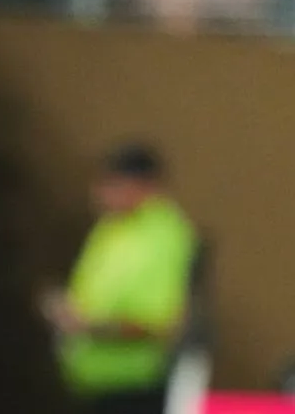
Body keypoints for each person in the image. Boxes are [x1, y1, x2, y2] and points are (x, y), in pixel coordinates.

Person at [40, 142, 197, 414]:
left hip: (133, 386)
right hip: (89, 381)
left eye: (111, 184)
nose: (99, 193)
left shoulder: (164, 236)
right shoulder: (111, 226)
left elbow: (159, 323)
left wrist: (89, 326)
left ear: (144, 186)